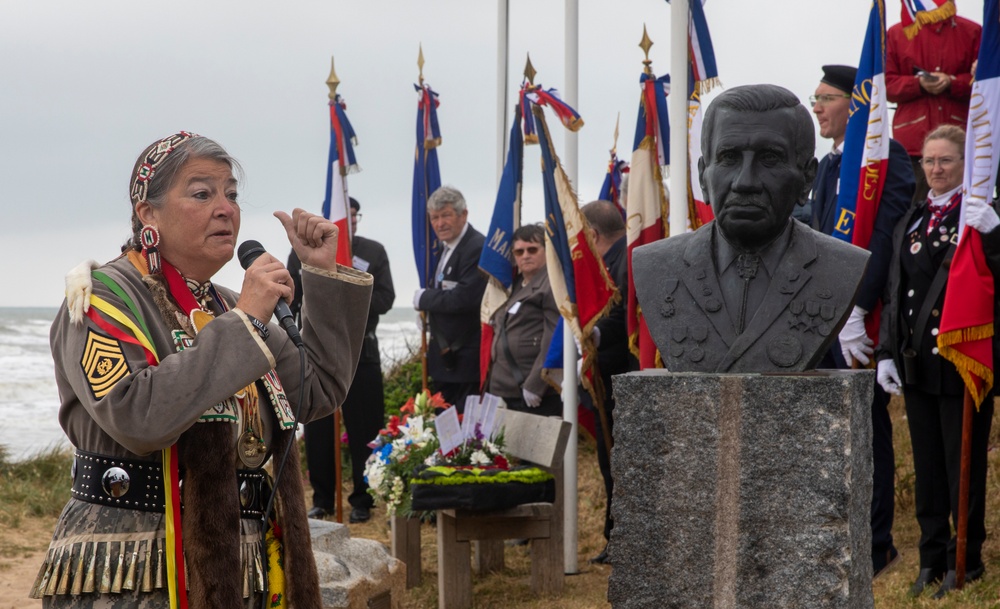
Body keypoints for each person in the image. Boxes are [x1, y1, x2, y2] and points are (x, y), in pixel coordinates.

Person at [31, 132, 372, 609]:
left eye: (231, 194)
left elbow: (316, 391)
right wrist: (247, 322)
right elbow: (136, 418)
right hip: (134, 561)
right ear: (147, 212)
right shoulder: (102, 298)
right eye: (202, 193)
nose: (226, 208)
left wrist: (321, 273)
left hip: (239, 562)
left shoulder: (226, 306)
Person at [632, 84, 870, 373]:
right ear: (703, 177)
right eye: (729, 158)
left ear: (807, 178)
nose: (745, 181)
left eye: (769, 158)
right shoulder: (655, 266)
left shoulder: (842, 267)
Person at [876, 125, 1000, 599]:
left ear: (965, 165)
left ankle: (964, 560)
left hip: (961, 360)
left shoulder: (981, 216)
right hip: (916, 362)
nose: (935, 169)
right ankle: (930, 558)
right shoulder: (912, 218)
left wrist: (994, 234)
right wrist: (887, 352)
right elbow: (894, 290)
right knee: (928, 468)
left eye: (945, 161)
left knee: (960, 464)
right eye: (929, 160)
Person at [808, 64, 915, 577]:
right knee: (832, 433)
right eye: (815, 98)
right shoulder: (828, 166)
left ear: (855, 106)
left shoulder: (888, 159)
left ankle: (876, 544)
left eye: (825, 98)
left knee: (865, 431)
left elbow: (883, 239)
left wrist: (855, 308)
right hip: (821, 317)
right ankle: (839, 533)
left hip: (862, 318)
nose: (816, 108)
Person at [289, 198, 395, 525]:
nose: (347, 221)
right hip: (318, 353)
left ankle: (362, 499)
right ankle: (322, 499)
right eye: (340, 215)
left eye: (352, 216)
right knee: (319, 431)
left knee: (365, 430)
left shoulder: (373, 252)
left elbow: (385, 298)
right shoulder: (302, 253)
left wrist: (346, 288)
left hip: (361, 356)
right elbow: (293, 296)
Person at [580, 199, 634, 565]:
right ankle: (614, 536)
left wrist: (591, 334)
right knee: (608, 461)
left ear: (593, 234)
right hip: (605, 378)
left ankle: (623, 539)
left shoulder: (626, 259)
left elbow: (626, 311)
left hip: (623, 374)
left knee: (621, 462)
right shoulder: (605, 262)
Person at [886, 9, 981, 203]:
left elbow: (986, 83)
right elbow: (884, 85)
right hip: (912, 147)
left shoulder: (972, 32)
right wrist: (917, 83)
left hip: (962, 142)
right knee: (911, 208)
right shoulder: (896, 34)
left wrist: (952, 82)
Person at [413, 186, 487, 412]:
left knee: (465, 437)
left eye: (446, 215)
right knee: (444, 434)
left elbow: (464, 298)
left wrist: (424, 298)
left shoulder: (476, 247)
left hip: (466, 361)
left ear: (463, 214)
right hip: (446, 362)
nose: (439, 223)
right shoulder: (445, 249)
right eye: (434, 218)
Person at [486, 224, 560, 416]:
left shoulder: (551, 284)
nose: (525, 256)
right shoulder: (514, 284)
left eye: (532, 250)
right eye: (519, 252)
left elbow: (553, 337)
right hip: (505, 388)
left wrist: (537, 383)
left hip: (532, 389)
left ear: (546, 251)